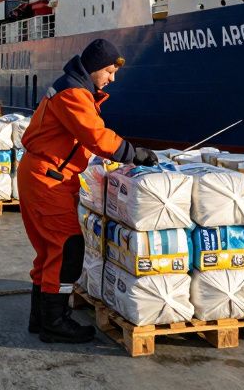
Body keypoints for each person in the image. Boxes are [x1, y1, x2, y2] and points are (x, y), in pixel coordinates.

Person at [18, 38, 159, 343]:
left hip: (44, 174)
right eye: (109, 71)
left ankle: (40, 318)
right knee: (67, 248)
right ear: (94, 67)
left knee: (48, 251)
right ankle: (55, 322)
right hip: (48, 179)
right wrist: (134, 153)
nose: (112, 78)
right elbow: (96, 136)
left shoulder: (73, 89)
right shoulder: (73, 94)